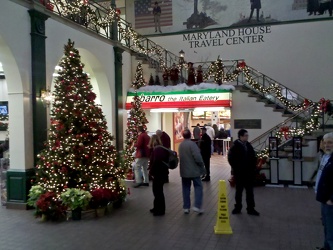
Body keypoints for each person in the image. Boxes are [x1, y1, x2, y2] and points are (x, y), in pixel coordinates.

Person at [228, 129, 260, 216]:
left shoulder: (248, 145)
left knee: (250, 191)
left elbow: (253, 157)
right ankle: (237, 207)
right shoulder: (235, 146)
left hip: (249, 173)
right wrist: (236, 169)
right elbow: (231, 159)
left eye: (247, 135)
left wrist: (253, 167)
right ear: (241, 136)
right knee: (239, 191)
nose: (247, 137)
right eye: (245, 135)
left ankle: (251, 208)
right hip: (240, 173)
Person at [178, 129, 206, 214]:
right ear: (191, 135)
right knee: (198, 187)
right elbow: (197, 157)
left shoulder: (181, 145)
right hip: (194, 170)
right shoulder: (192, 144)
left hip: (184, 171)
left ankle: (186, 207)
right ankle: (197, 206)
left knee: (186, 188)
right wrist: (202, 167)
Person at [315, 132, 333, 250]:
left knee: (331, 229)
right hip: (323, 198)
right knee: (326, 226)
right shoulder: (325, 156)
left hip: (330, 201)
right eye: (325, 142)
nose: (327, 145)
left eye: (330, 142)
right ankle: (326, 247)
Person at [148, 135, 169, 216]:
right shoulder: (161, 148)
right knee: (157, 191)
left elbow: (156, 161)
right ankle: (156, 207)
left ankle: (160, 210)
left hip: (158, 173)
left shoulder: (157, 150)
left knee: (158, 192)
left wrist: (151, 171)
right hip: (162, 173)